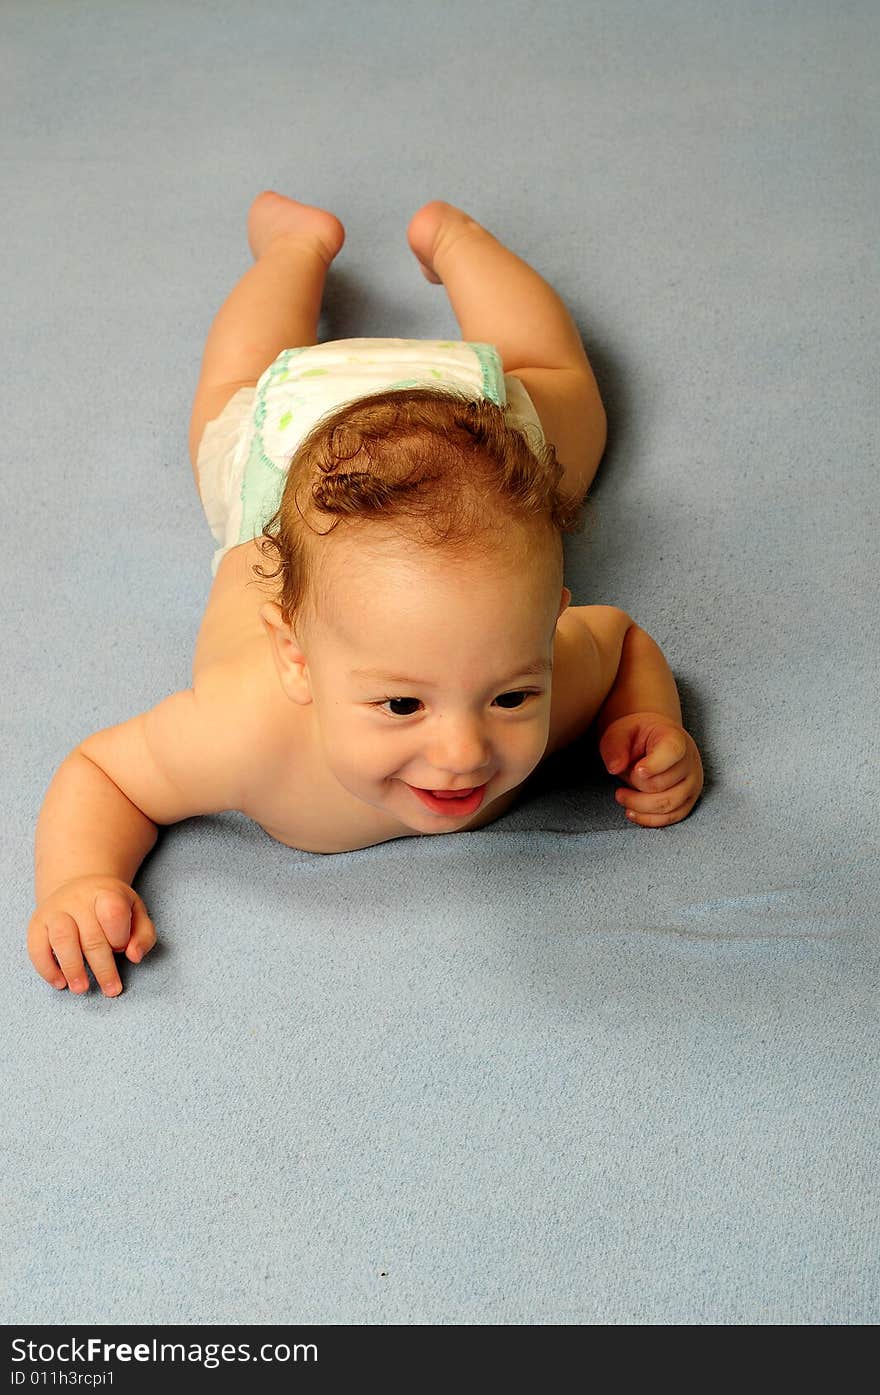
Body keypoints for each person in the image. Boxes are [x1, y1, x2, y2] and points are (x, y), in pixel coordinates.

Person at [28, 193, 704, 998]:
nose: (464, 752)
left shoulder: (555, 676)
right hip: (290, 447)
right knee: (232, 396)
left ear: (547, 621)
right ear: (296, 659)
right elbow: (104, 772)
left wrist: (647, 716)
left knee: (564, 400)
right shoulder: (244, 729)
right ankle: (292, 250)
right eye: (401, 705)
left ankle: (458, 239)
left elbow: (622, 640)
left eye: (511, 695)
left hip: (476, 426)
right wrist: (76, 880)